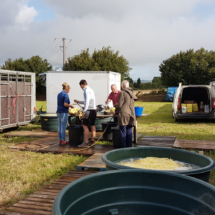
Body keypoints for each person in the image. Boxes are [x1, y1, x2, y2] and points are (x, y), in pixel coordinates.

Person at [74, 80, 97, 147]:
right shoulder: (91, 90)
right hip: (93, 110)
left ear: (82, 85)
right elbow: (87, 101)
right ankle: (92, 140)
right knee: (92, 125)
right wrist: (79, 101)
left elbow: (87, 102)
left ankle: (86, 142)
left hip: (88, 110)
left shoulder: (85, 90)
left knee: (85, 126)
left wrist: (84, 111)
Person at [115, 80, 137, 148]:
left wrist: (116, 112)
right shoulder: (132, 92)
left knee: (123, 132)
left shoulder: (123, 92)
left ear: (123, 86)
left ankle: (123, 148)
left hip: (124, 114)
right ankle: (129, 147)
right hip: (131, 113)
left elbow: (120, 105)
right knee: (129, 132)